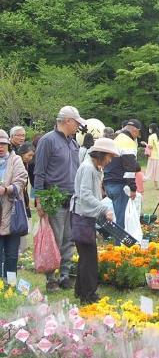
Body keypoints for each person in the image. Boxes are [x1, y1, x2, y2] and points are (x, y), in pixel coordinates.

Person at [34, 106, 85, 292]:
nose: (78, 126)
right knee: (54, 240)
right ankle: (51, 279)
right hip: (54, 198)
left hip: (72, 198)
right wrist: (39, 199)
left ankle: (65, 276)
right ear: (67, 121)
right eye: (76, 122)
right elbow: (38, 172)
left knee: (69, 240)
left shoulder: (73, 142)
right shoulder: (48, 141)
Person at [70, 138, 118, 305]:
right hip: (82, 217)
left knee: (85, 257)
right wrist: (104, 209)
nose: (110, 160)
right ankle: (89, 295)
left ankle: (81, 291)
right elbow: (85, 195)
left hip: (84, 215)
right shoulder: (88, 168)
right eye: (109, 157)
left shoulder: (93, 167)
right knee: (89, 258)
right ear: (102, 154)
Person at [103, 119, 140, 231]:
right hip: (119, 184)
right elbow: (129, 168)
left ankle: (112, 240)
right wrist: (133, 188)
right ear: (134, 130)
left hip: (108, 182)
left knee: (114, 217)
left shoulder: (116, 139)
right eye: (138, 132)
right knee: (121, 220)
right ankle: (119, 246)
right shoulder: (128, 141)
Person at [0, 130, 28, 279]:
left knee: (11, 255)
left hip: (12, 213)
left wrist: (6, 189)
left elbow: (21, 180)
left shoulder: (15, 160)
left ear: (8, 145)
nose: (1, 147)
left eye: (3, 144)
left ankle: (10, 285)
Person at [15, 143, 35, 254]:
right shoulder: (17, 163)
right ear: (22, 153)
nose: (30, 158)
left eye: (32, 156)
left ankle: (21, 250)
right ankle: (18, 250)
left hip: (24, 198)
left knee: (25, 226)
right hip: (17, 198)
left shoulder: (27, 164)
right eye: (29, 155)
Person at [145, 123, 159, 190]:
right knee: (158, 171)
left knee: (153, 171)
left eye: (150, 128)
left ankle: (156, 185)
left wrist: (145, 144)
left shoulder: (151, 136)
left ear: (152, 129)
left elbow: (150, 146)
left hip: (153, 156)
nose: (149, 129)